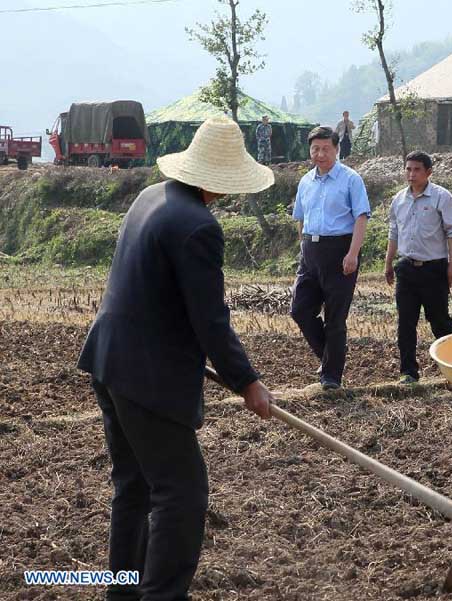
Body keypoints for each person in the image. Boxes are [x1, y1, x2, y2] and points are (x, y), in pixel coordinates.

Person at [77, 115, 276, 601]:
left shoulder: (152, 198)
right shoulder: (198, 227)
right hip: (147, 376)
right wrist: (247, 381)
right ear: (219, 180)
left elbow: (155, 292)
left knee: (135, 488)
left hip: (110, 360)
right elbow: (210, 320)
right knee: (181, 494)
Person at [291, 126, 371, 390]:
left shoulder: (350, 179)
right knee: (300, 310)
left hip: (340, 252)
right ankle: (329, 358)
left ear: (336, 149)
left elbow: (361, 217)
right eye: (315, 149)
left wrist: (352, 253)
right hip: (310, 252)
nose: (320, 154)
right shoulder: (305, 181)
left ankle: (331, 378)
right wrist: (302, 247)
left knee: (335, 318)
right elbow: (300, 218)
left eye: (326, 148)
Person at [385, 151, 452, 384]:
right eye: (408, 169)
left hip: (434, 269)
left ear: (428, 172)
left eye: (417, 169)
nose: (411, 174)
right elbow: (394, 233)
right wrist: (388, 263)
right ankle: (408, 372)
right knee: (405, 322)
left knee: (439, 320)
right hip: (406, 268)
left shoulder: (441, 197)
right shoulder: (399, 199)